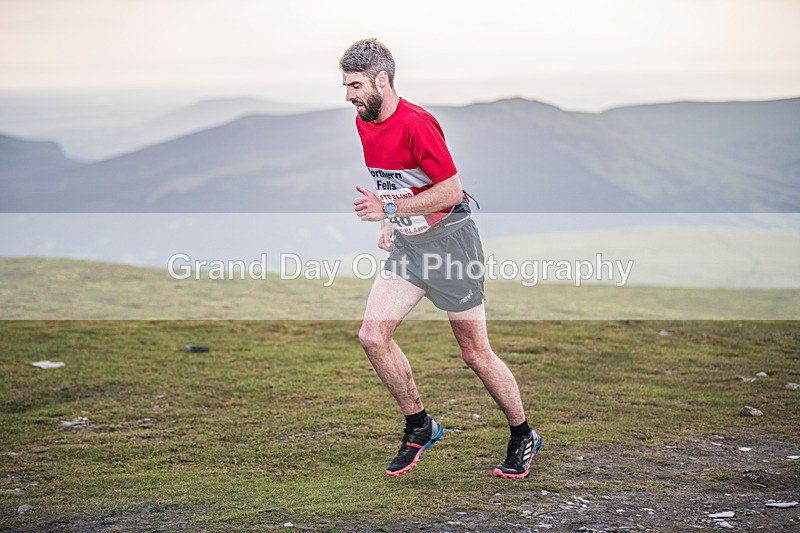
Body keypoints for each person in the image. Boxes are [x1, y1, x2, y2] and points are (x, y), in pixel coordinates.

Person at [340, 38, 541, 478]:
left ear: (381, 79)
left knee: (475, 353)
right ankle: (420, 426)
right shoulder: (365, 122)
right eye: (346, 86)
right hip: (412, 249)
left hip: (452, 246)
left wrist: (389, 210)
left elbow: (449, 192)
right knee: (373, 336)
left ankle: (523, 433)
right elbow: (393, 182)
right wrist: (389, 219)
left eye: (355, 85)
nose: (349, 96)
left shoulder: (418, 123)